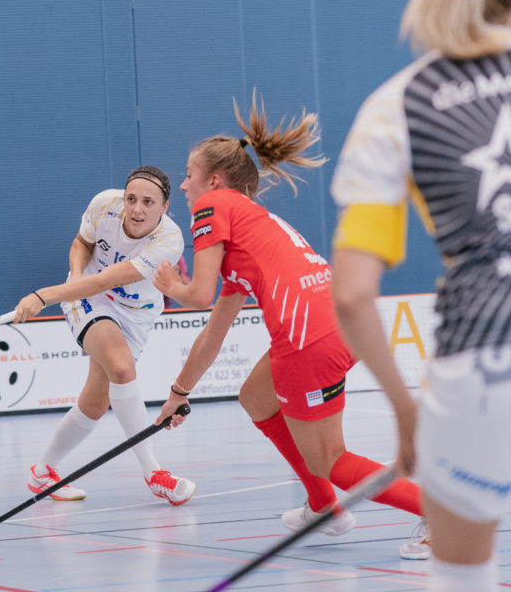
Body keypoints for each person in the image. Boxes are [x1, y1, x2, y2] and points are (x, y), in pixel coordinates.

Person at [329, 0, 511, 592]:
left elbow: (352, 293)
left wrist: (406, 414)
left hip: (480, 363)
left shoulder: (395, 105)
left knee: (464, 579)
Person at [150, 95, 426, 557]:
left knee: (330, 458)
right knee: (255, 397)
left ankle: (438, 514)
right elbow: (214, 331)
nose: (182, 185)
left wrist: (170, 284)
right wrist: (179, 393)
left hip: (308, 338)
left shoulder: (213, 204)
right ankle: (323, 506)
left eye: (188, 174)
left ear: (214, 180)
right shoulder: (248, 225)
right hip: (338, 322)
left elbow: (198, 295)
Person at [13, 166, 197, 506]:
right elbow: (82, 243)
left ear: (164, 207)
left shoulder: (169, 241)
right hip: (89, 297)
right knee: (122, 368)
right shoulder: (104, 205)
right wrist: (74, 279)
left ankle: (42, 472)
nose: (137, 209)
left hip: (135, 313)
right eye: (131, 199)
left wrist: (42, 296)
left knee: (97, 403)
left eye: (148, 202)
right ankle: (154, 473)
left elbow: (108, 279)